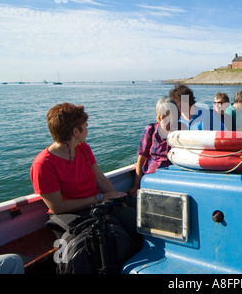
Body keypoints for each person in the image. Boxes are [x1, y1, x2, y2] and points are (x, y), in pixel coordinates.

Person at [30, 103, 141, 248]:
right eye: (86, 126)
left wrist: (117, 199)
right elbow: (57, 207)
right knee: (119, 232)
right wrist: (99, 198)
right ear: (76, 131)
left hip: (97, 203)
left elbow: (100, 179)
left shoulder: (83, 148)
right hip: (75, 213)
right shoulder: (43, 165)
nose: (87, 130)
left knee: (140, 215)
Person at [130, 97, 178, 195]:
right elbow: (141, 159)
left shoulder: (181, 132)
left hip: (173, 177)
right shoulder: (150, 130)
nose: (162, 117)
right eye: (160, 113)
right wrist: (136, 185)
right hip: (151, 177)